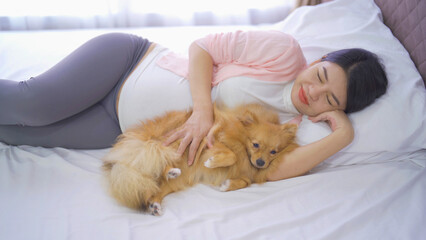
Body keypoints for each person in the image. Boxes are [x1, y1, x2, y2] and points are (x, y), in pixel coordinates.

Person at [0, 30, 388, 181]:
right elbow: (202, 47)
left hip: (119, 125)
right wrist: (203, 112)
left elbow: (271, 171)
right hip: (129, 64)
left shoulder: (289, 128)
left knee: (17, 138)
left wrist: (343, 135)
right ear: (319, 62)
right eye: (320, 77)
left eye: (330, 100)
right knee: (31, 106)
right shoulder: (285, 53)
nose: (313, 94)